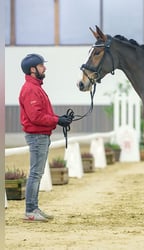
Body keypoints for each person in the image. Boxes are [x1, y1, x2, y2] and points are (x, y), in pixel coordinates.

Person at [19, 53, 72, 222]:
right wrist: (57, 120)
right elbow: (36, 117)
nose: (45, 68)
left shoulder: (36, 88)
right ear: (33, 69)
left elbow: (42, 114)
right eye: (41, 66)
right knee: (35, 173)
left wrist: (59, 118)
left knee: (38, 173)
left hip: (40, 135)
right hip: (37, 136)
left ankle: (33, 207)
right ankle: (30, 210)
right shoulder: (30, 89)